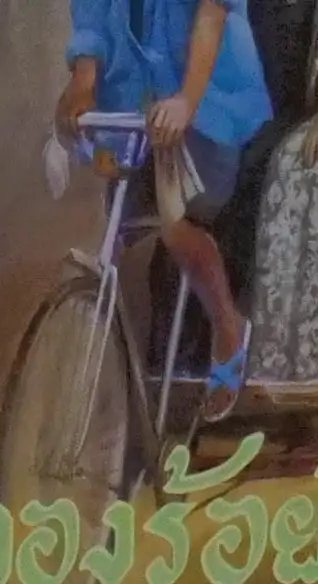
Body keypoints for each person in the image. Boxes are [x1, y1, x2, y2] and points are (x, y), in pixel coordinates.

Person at [54, 0, 262, 377]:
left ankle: (228, 327)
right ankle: (100, 372)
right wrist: (83, 79)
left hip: (206, 92)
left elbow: (212, 15)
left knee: (176, 223)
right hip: (132, 95)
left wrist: (187, 101)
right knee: (109, 229)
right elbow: (92, 12)